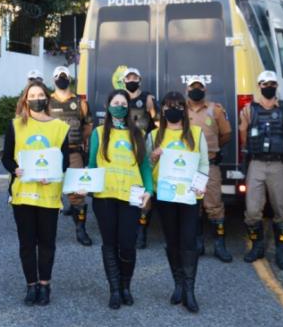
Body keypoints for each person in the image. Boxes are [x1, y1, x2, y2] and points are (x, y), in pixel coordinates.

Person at [1, 82, 70, 306]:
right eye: (32, 95)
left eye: (40, 94)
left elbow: (65, 160)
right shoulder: (15, 125)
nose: (36, 98)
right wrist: (15, 169)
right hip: (23, 194)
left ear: (46, 99)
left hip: (49, 193)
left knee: (47, 242)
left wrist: (53, 173)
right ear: (25, 99)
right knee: (27, 243)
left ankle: (45, 284)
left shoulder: (59, 127)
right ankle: (31, 285)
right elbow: (6, 158)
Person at [86, 89, 153, 309]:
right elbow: (92, 165)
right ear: (107, 106)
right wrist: (83, 185)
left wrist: (149, 190)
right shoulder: (98, 133)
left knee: (127, 245)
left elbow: (144, 166)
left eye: (123, 103)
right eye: (115, 103)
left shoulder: (138, 133)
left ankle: (126, 286)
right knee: (109, 244)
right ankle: (114, 289)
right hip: (105, 197)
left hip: (131, 197)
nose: (119, 106)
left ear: (128, 107)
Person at [150, 91, 210, 313]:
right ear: (162, 110)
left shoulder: (196, 133)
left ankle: (189, 290)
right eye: (168, 106)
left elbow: (204, 164)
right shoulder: (154, 135)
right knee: (172, 240)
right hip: (165, 196)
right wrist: (153, 158)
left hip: (189, 197)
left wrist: (200, 184)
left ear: (184, 109)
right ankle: (178, 284)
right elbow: (147, 166)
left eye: (177, 106)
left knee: (189, 241)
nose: (172, 110)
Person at [237, 71, 283, 270]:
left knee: (282, 211)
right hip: (257, 164)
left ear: (277, 86)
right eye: (265, 83)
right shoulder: (248, 110)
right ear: (259, 86)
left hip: (279, 165)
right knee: (253, 210)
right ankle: (257, 247)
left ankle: (281, 253)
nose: (269, 86)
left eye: (272, 83)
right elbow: (243, 134)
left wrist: (279, 151)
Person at [185, 78, 233, 262]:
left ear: (205, 89)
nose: (196, 90)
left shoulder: (215, 110)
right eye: (193, 87)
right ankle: (198, 244)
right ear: (187, 89)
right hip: (189, 166)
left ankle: (220, 246)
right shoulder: (181, 110)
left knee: (214, 205)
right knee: (193, 205)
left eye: (199, 87)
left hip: (210, 164)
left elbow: (226, 134)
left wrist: (213, 150)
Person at [49, 65, 94, 246]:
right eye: (58, 76)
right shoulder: (47, 102)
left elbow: (88, 126)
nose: (62, 79)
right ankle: (47, 231)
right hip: (52, 154)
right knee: (50, 190)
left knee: (77, 192)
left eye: (65, 76)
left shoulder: (80, 102)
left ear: (69, 79)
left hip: (74, 152)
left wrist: (78, 141)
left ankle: (80, 230)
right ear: (53, 79)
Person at [123, 67, 158, 249]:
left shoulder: (148, 99)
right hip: (124, 150)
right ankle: (128, 227)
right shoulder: (119, 98)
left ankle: (142, 231)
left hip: (144, 149)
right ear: (124, 81)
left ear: (140, 79)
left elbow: (157, 122)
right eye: (128, 78)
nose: (131, 80)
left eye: (134, 77)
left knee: (144, 188)